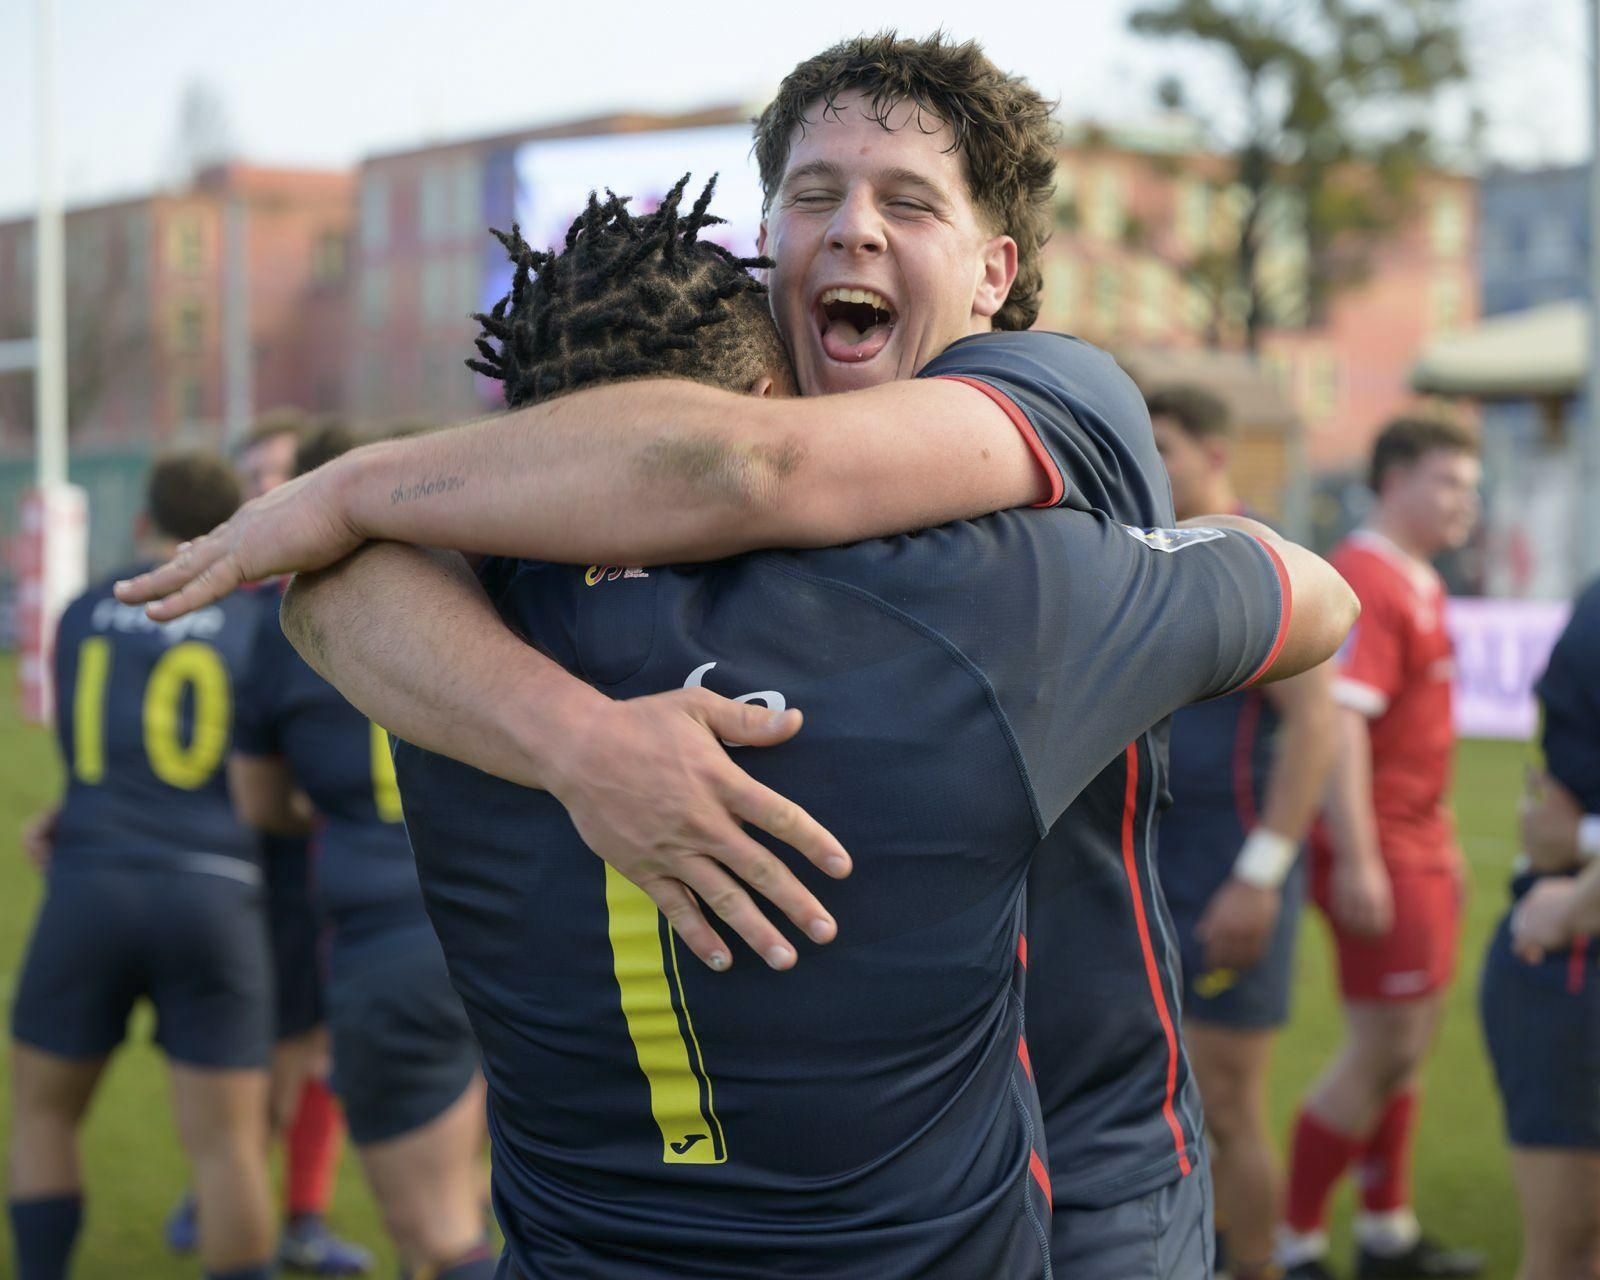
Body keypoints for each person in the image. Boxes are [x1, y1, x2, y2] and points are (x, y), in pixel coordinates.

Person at [117, 33, 1350, 1275]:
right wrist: (580, 742)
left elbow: (749, 472)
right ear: (764, 270)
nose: (853, 226)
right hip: (956, 1192)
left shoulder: (1053, 389)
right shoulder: (984, 605)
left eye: (906, 200)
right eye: (812, 195)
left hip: (1076, 1158)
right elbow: (723, 473)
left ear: (996, 272)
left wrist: (359, 491)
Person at [224, 424, 493, 1278]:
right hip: (520, 927)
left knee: (439, 1237)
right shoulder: (489, 576)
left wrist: (320, 809)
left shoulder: (291, 622)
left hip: (393, 944)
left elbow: (258, 801)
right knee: (518, 1207)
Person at [9, 455, 277, 1280]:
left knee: (42, 1116)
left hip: (92, 877)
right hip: (218, 889)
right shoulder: (254, 620)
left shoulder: (88, 608)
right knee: (229, 1148)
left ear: (140, 521)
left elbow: (86, 745)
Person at [1138, 385, 1338, 1280]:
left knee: (1225, 1102)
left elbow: (1321, 727)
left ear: (1216, 456)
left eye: (1165, 447)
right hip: (1151, 869)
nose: (1149, 463)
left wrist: (1262, 874)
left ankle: (1255, 1263)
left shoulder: (1257, 558)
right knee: (1146, 1100)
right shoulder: (1144, 554)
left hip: (1233, 875)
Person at [165, 415, 371, 1278]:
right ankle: (237, 1191)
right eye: (250, 477)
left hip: (309, 862)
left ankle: (298, 1210)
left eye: (276, 475)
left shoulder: (356, 596)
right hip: (231, 860)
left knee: (311, 1044)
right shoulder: (234, 599)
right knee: (260, 1045)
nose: (261, 492)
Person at [1280, 417, 1485, 1280]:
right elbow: (1345, 731)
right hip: (1387, 848)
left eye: (1471, 487)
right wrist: (1361, 857)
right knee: (1382, 1045)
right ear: (1392, 480)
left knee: (1407, 1044)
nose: (1464, 503)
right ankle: (1292, 1242)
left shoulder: (1420, 577)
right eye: (1447, 482)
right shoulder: (1365, 575)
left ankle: (1386, 1230)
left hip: (1421, 842)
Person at [1481, 575, 1600, 1280]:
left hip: (1572, 937)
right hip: (1572, 967)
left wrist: (1578, 870)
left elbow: (1559, 827)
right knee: (1574, 1251)